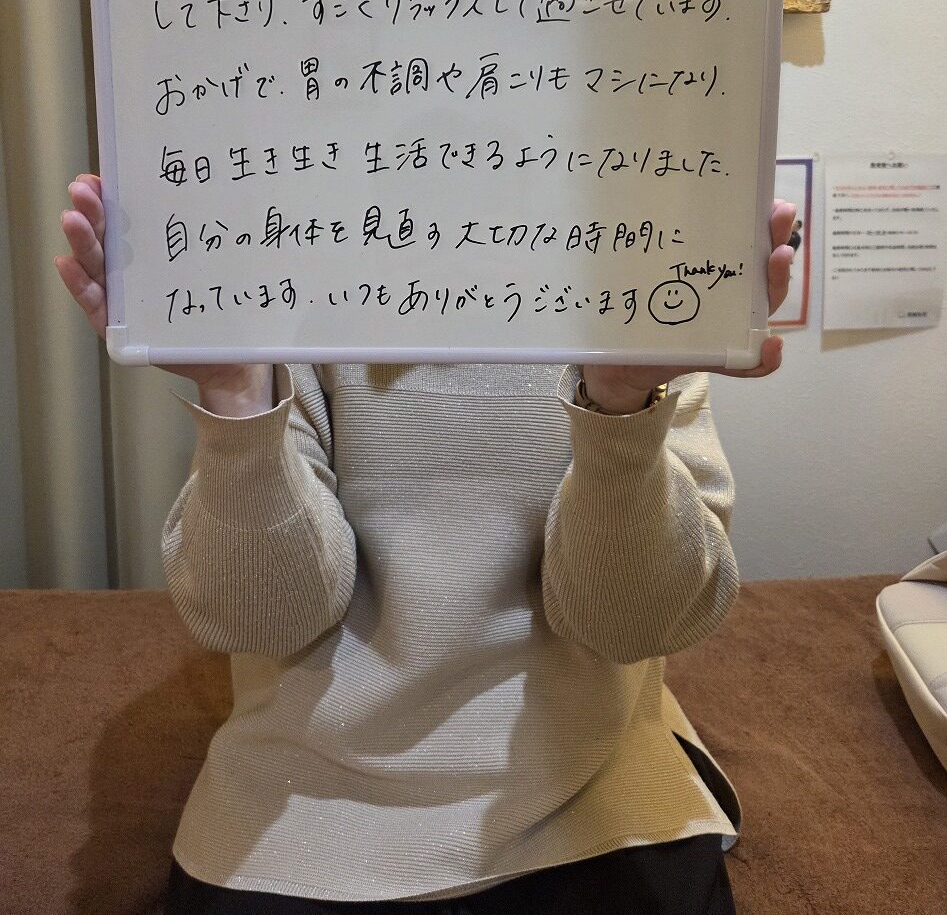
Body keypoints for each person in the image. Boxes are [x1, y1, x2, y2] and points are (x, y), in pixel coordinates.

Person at [57, 174, 796, 915]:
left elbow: (634, 624)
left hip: (595, 802)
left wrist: (622, 408)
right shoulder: (288, 285)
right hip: (299, 818)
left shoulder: (637, 282)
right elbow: (265, 621)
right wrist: (236, 394)